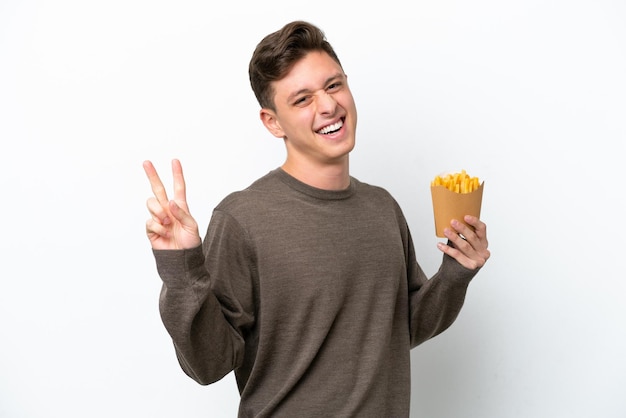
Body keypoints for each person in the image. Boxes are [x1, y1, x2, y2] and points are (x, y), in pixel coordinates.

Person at [143, 20, 490, 418]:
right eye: (302, 99)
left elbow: (402, 327)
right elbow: (208, 364)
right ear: (273, 122)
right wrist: (181, 268)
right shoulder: (243, 219)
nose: (328, 106)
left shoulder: (382, 208)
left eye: (333, 85)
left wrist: (455, 272)